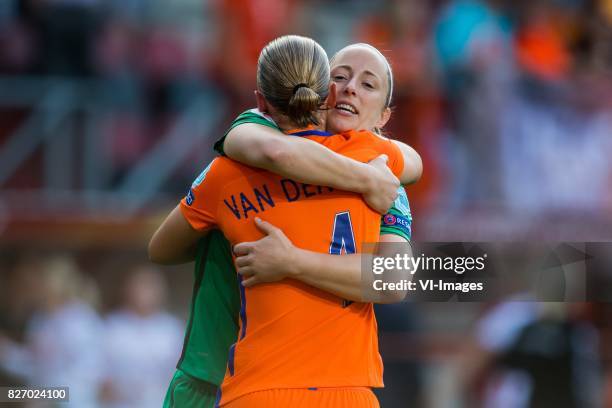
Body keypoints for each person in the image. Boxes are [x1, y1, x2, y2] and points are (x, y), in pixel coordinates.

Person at [150, 35, 414, 408]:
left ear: (385, 116)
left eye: (368, 84)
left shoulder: (387, 174)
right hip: (219, 376)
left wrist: (289, 260)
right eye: (340, 77)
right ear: (321, 89)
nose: (351, 89)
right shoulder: (379, 174)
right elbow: (264, 145)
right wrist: (366, 178)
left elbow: (391, 279)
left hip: (297, 383)